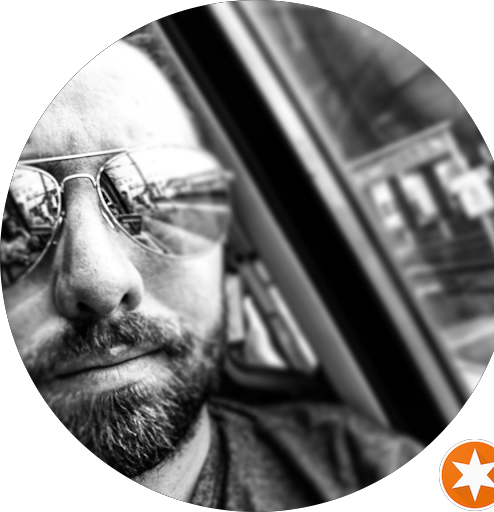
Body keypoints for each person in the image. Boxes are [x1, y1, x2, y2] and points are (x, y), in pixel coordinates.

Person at [3, 23, 422, 509]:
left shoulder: (357, 469)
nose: (102, 282)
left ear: (226, 253)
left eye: (163, 193)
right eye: (11, 219)